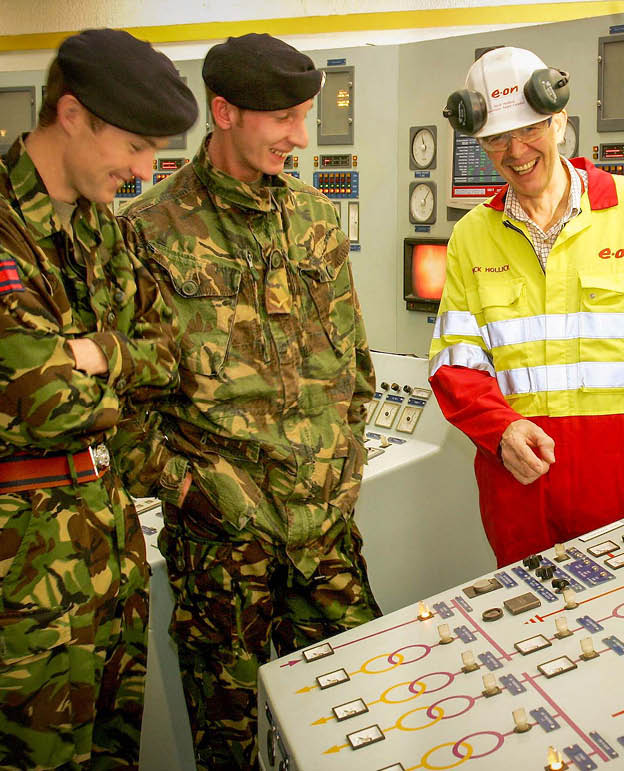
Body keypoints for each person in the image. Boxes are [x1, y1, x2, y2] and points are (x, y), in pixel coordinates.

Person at [116, 34, 380, 770]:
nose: (300, 136)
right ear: (224, 112)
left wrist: (341, 472)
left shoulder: (315, 218)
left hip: (324, 539)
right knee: (228, 747)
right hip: (222, 554)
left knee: (355, 725)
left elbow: (352, 368)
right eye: (285, 118)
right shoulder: (147, 232)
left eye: (304, 116)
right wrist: (198, 492)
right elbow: (128, 409)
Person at [430, 47, 624, 566]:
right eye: (496, 138)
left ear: (559, 119)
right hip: (521, 483)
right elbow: (454, 366)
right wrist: (502, 429)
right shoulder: (472, 236)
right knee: (529, 632)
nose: (515, 152)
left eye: (530, 130)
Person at [0, 29, 197, 770]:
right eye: (137, 146)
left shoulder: (102, 234)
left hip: (110, 556)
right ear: (73, 114)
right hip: (22, 589)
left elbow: (169, 357)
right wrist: (106, 361)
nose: (147, 171)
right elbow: (44, 399)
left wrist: (89, 353)